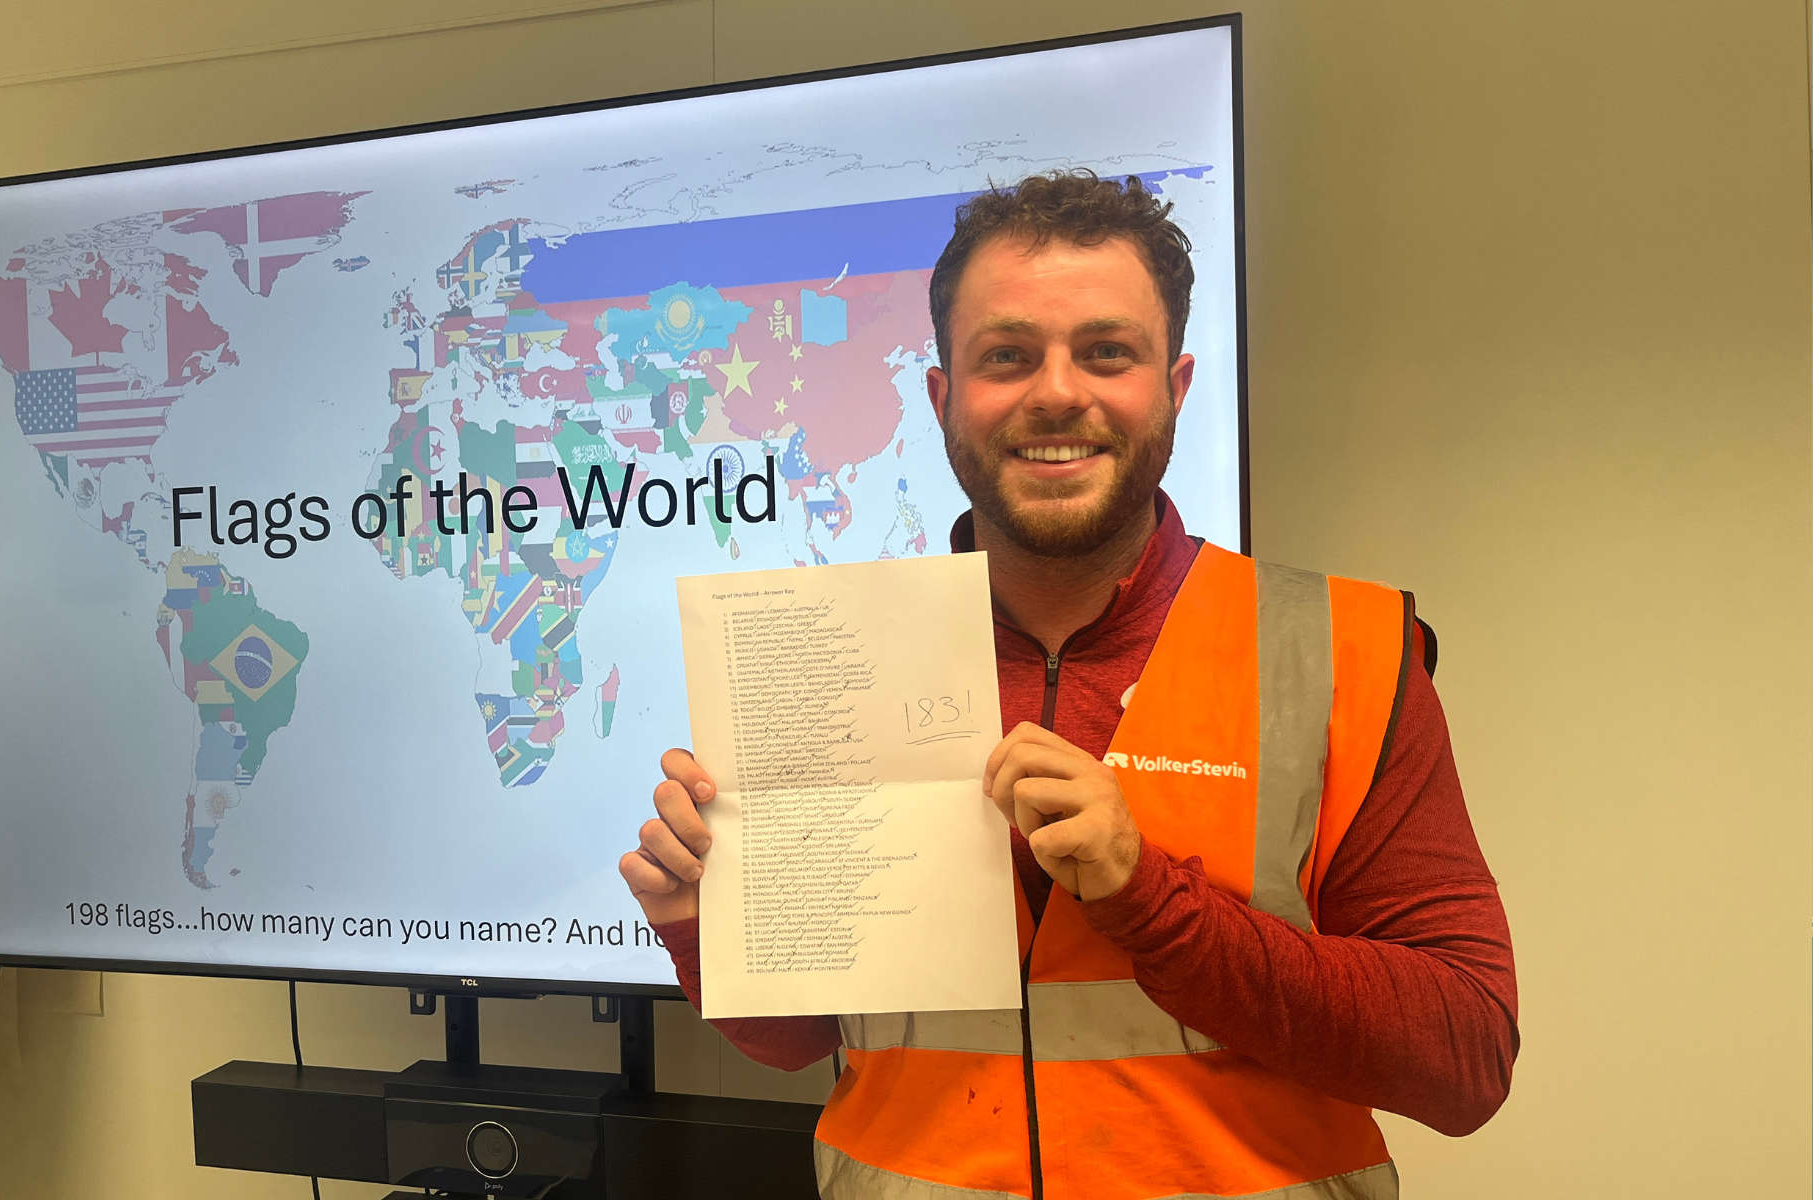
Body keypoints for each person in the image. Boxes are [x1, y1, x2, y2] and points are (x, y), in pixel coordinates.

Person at [619, 169, 1516, 1200]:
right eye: (1007, 357)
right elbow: (807, 1041)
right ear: (942, 397)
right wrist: (707, 927)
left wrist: (1152, 903)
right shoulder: (832, 654)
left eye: (1105, 352)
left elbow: (1463, 1059)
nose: (1055, 392)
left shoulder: (1342, 649)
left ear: (1171, 387)